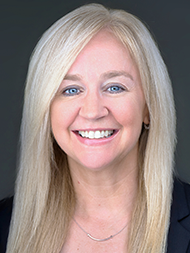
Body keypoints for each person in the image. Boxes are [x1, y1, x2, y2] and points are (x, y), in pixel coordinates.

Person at [1, 3, 190, 253]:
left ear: (148, 107)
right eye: (71, 90)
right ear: (45, 111)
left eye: (115, 87)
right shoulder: (3, 227)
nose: (92, 111)